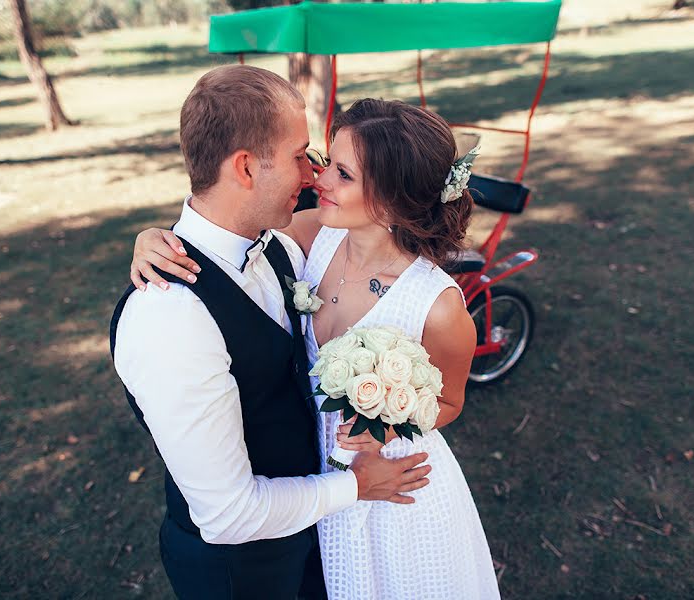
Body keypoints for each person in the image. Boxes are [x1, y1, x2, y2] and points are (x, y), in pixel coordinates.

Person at [133, 97, 502, 599]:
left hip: (395, 483)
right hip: (321, 487)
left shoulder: (436, 306)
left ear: (392, 199)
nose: (317, 179)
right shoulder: (310, 238)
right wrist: (157, 239)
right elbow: (224, 238)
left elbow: (451, 401)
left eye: (342, 174)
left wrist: (389, 421)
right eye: (325, 162)